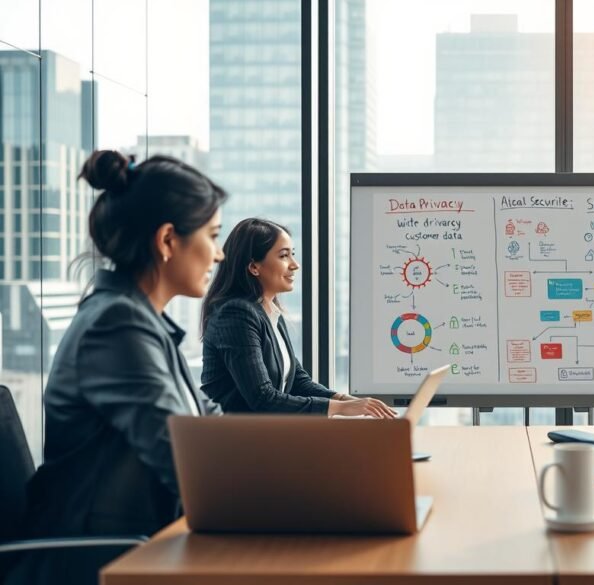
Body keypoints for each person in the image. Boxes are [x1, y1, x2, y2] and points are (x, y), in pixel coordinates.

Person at [12, 151, 227, 583]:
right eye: (213, 235)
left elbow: (209, 425)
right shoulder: (116, 326)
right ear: (168, 241)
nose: (219, 255)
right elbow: (184, 460)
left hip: (142, 547)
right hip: (102, 562)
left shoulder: (143, 322)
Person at [200, 218, 395, 418]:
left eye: (292, 255)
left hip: (263, 437)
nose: (295, 265)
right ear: (254, 267)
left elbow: (298, 382)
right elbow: (262, 398)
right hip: (232, 440)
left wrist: (348, 401)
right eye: (284, 256)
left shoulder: (270, 312)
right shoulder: (236, 314)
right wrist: (341, 408)